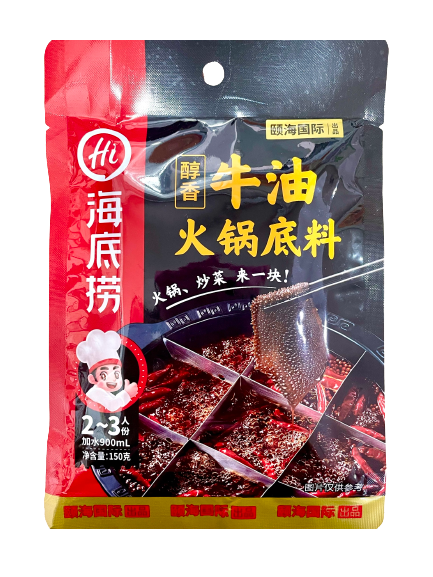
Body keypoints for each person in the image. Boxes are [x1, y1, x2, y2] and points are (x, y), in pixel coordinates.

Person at [76, 329, 138, 412]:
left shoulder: (104, 392)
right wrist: (127, 394)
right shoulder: (96, 392)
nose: (113, 379)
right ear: (92, 379)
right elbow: (112, 405)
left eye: (116, 374)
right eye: (104, 375)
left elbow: (116, 402)